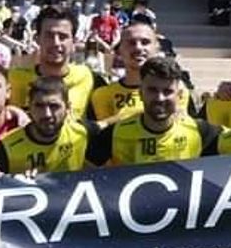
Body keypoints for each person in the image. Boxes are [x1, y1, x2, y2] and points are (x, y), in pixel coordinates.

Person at [88, 56, 222, 167]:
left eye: (167, 91)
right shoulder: (116, 132)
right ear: (140, 93)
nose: (160, 98)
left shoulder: (200, 131)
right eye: (152, 90)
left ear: (179, 95)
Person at [0, 74, 92, 175]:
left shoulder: (81, 133)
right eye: (39, 106)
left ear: (67, 107)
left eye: (54, 106)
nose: (47, 114)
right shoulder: (6, 148)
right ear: (29, 107)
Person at [9, 8, 103, 117]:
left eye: (63, 37)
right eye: (49, 36)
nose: (56, 43)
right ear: (37, 39)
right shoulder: (16, 79)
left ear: (74, 42)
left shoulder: (86, 77)